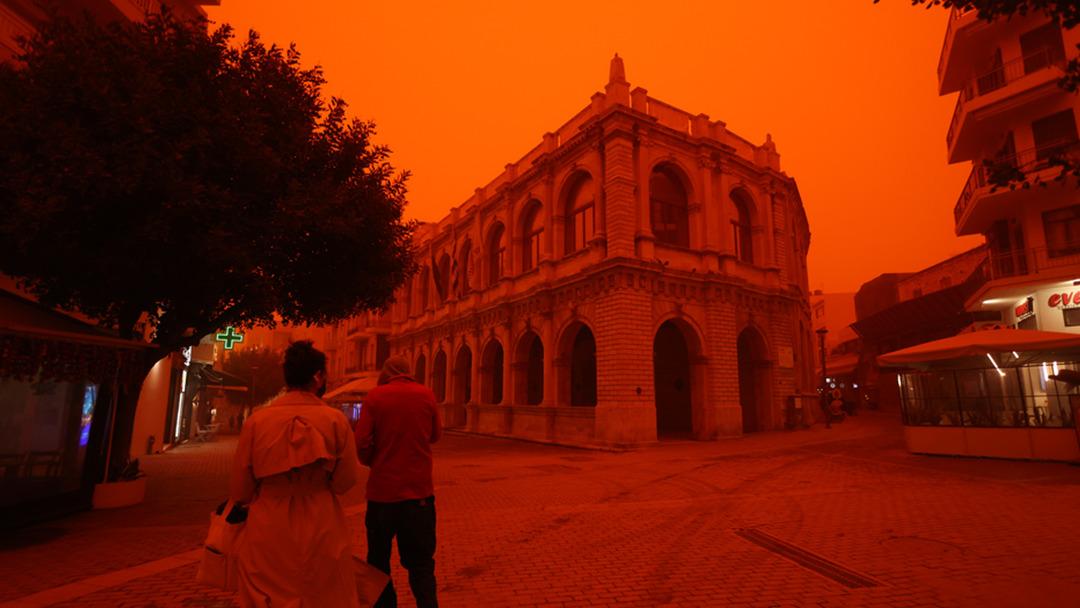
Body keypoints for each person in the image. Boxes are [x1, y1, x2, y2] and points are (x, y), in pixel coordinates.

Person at [229, 341, 362, 608]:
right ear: (318, 376)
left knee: (267, 593)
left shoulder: (257, 420)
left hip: (268, 521)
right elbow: (346, 480)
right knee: (322, 592)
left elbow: (241, 488)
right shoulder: (335, 420)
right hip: (321, 519)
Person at [355, 356, 442, 608]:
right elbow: (435, 435)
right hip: (420, 496)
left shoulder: (376, 397)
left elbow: (360, 442)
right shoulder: (426, 394)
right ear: (408, 372)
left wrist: (374, 460)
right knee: (422, 564)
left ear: (387, 372)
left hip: (382, 495)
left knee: (378, 564)